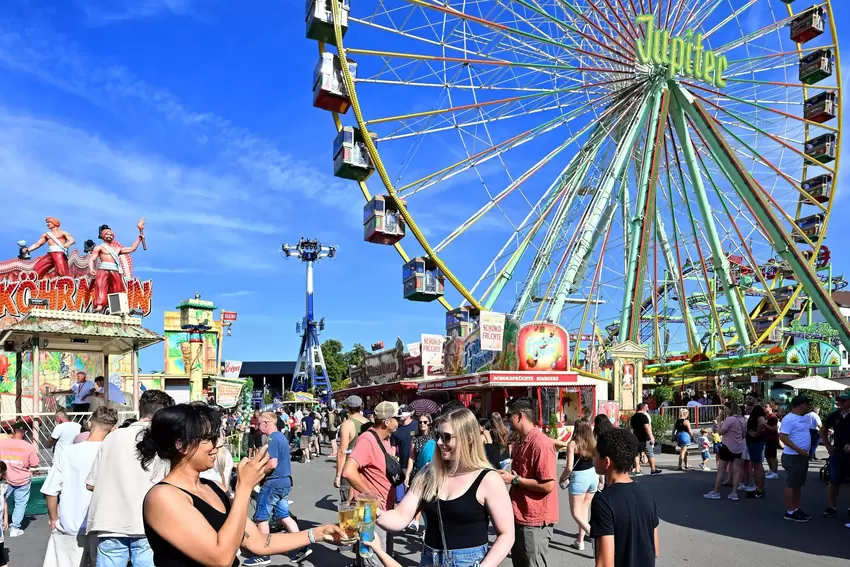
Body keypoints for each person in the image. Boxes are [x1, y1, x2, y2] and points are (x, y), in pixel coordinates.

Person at [139, 404, 343, 567]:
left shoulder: (214, 487)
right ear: (181, 445)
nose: (217, 445)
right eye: (209, 439)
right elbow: (220, 559)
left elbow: (258, 542)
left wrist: (317, 534)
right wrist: (244, 488)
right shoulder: (163, 497)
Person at [377, 406, 513, 567]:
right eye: (438, 436)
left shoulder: (488, 479)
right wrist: (372, 513)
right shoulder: (428, 473)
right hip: (429, 559)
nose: (440, 442)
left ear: (468, 438)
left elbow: (507, 535)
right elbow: (400, 517)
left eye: (447, 437)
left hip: (469, 562)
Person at [85, 389, 175, 567]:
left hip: (111, 522)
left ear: (141, 409)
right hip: (150, 523)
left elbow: (90, 484)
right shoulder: (164, 441)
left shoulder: (113, 437)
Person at [41, 407, 119, 567]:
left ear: (89, 424)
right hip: (105, 526)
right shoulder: (115, 453)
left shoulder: (69, 452)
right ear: (113, 428)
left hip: (70, 525)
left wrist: (54, 519)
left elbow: (51, 490)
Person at [243, 411, 311, 566]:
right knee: (283, 516)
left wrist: (259, 473)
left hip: (273, 483)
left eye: (259, 423)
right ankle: (302, 546)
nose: (257, 426)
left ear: (266, 423)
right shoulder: (282, 437)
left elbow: (272, 463)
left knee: (262, 516)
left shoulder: (272, 438)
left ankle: (263, 553)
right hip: (285, 481)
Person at [498, 397, 558, 567]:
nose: (507, 420)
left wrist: (515, 479)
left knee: (533, 563)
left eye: (509, 415)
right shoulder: (522, 441)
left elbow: (548, 485)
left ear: (520, 416)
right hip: (520, 515)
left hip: (535, 520)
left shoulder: (540, 444)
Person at [341, 401, 401, 565]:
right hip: (371, 510)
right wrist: (371, 495)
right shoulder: (368, 439)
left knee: (380, 555)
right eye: (396, 417)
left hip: (383, 510)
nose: (399, 420)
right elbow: (348, 471)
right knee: (373, 559)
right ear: (387, 421)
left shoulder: (385, 439)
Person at [589, 428, 660, 567]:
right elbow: (655, 550)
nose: (593, 458)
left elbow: (605, 564)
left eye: (596, 455)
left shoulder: (603, 502)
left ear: (606, 462)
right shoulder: (646, 494)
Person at [87, 220, 146, 313]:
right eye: (107, 234)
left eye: (111, 234)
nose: (109, 236)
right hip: (103, 269)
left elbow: (131, 249)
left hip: (115, 270)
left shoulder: (117, 249)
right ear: (102, 236)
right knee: (101, 286)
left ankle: (116, 307)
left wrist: (139, 239)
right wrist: (91, 268)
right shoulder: (99, 247)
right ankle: (99, 306)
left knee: (117, 288)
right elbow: (91, 259)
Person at [558, 419, 597, 551]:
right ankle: (580, 541)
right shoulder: (593, 442)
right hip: (593, 475)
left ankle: (594, 535)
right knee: (584, 510)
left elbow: (569, 467)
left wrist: (562, 478)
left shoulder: (573, 444)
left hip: (579, 478)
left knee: (575, 513)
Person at [0, 421, 39, 536]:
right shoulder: (28, 447)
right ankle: (15, 528)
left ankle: (1, 525)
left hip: (5, 479)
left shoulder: (2, 443)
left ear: (12, 431)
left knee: (2, 502)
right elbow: (34, 463)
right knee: (20, 504)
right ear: (25, 432)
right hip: (22, 479)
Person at [779, 395, 813, 523]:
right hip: (793, 456)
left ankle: (796, 508)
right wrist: (798, 449)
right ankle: (790, 511)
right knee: (791, 484)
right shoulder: (789, 419)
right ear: (800, 405)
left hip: (801, 456)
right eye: (806, 403)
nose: (808, 406)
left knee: (798, 484)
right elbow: (783, 437)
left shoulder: (803, 417)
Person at [704, 402, 746, 501]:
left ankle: (716, 491)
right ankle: (734, 493)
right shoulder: (742, 419)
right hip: (738, 446)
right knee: (736, 470)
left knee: (721, 469)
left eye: (725, 409)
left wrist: (718, 422)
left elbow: (720, 432)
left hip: (727, 446)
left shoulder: (730, 419)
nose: (724, 411)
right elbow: (744, 434)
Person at [819, 392, 850, 520]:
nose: (840, 402)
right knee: (833, 480)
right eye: (839, 400)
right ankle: (831, 507)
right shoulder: (835, 415)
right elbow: (823, 429)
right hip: (837, 452)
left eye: (844, 400)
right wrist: (827, 445)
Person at [335, 395, 369, 502]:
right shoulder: (368, 422)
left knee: (348, 506)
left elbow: (342, 452)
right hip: (365, 468)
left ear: (348, 408)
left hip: (350, 467)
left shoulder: (347, 424)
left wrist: (338, 475)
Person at [405, 413, 434, 534]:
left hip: (431, 473)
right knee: (417, 499)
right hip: (417, 473)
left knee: (429, 500)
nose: (422, 424)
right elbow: (411, 458)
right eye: (420, 422)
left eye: (425, 422)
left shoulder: (435, 439)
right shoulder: (415, 439)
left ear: (430, 423)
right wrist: (407, 474)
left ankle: (428, 527)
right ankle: (415, 522)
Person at [390, 405, 417, 503]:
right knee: (402, 497)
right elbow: (393, 448)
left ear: (410, 413)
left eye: (403, 411)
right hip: (402, 466)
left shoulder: (417, 425)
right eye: (399, 412)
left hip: (417, 465)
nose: (401, 414)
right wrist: (392, 466)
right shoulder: (396, 430)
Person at [630, 403, 661, 476]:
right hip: (645, 438)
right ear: (643, 408)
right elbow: (647, 427)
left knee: (636, 453)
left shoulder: (633, 417)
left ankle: (637, 470)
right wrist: (651, 437)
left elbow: (631, 427)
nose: (647, 409)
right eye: (646, 407)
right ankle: (653, 469)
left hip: (636, 437)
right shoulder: (644, 417)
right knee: (650, 453)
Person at [745, 405, 767, 499]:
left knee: (757, 465)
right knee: (756, 465)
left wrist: (757, 433)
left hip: (755, 441)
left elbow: (762, 422)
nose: (747, 401)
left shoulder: (757, 408)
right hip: (754, 441)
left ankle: (760, 490)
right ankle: (758, 488)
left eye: (750, 398)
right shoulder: (755, 411)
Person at [764, 402, 781, 480]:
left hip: (772, 438)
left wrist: (765, 425)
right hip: (767, 438)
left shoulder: (773, 417)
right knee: (767, 456)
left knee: (772, 456)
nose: (764, 408)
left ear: (771, 408)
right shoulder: (767, 416)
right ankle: (771, 470)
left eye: (766, 406)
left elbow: (774, 428)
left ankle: (775, 472)